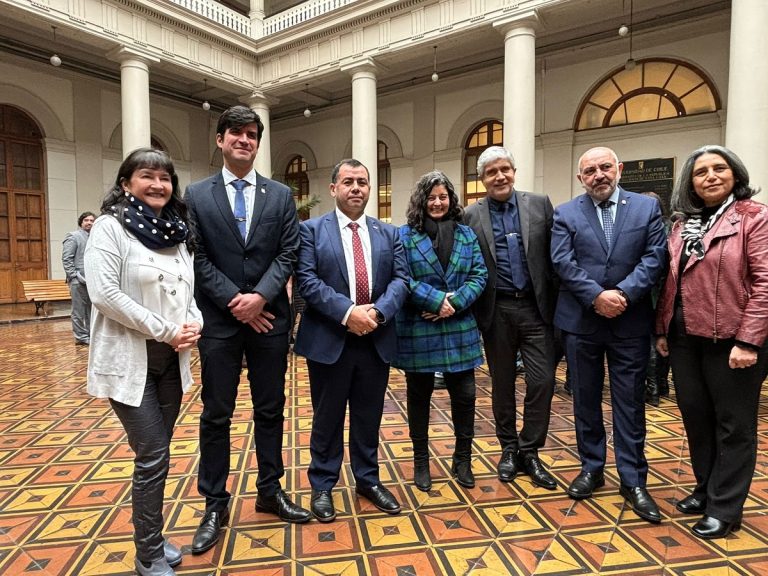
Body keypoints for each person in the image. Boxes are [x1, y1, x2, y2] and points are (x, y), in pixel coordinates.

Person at [185, 105, 309, 555]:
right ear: (220, 140)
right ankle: (214, 503)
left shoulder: (280, 196)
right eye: (235, 133)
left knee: (271, 410)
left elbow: (289, 253)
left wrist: (259, 297)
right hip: (219, 323)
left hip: (269, 320)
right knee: (215, 414)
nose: (244, 139)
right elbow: (194, 257)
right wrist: (236, 303)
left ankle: (270, 491)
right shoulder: (196, 195)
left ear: (258, 142)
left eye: (251, 134)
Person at [84, 148, 202, 576]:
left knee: (157, 455)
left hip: (170, 363)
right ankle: (148, 553)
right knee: (152, 454)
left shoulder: (175, 232)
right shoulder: (110, 229)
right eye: (147, 176)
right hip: (129, 361)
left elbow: (187, 292)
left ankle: (152, 537)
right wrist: (167, 329)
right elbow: (105, 295)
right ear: (125, 183)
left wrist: (193, 323)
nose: (157, 185)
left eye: (165, 178)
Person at [655, 145, 768, 539]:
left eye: (719, 168)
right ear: (691, 182)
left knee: (733, 425)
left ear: (735, 174)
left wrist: (750, 341)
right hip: (686, 337)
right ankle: (705, 490)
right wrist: (662, 330)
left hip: (733, 341)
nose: (711, 176)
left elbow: (765, 283)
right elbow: (671, 281)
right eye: (701, 172)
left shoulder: (754, 217)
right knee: (696, 419)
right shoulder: (682, 223)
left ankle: (726, 506)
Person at [551, 146, 667, 523]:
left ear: (618, 168)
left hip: (629, 321)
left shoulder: (646, 209)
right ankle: (592, 468)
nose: (598, 175)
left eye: (604, 167)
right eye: (590, 171)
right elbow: (561, 262)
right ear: (580, 178)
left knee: (630, 405)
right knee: (584, 400)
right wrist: (596, 296)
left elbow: (655, 257)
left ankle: (633, 480)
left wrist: (623, 294)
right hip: (582, 322)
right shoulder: (566, 213)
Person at [294, 159, 408, 522]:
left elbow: (401, 281)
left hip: (375, 337)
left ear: (370, 188)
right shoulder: (311, 231)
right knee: (326, 417)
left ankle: (367, 480)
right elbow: (307, 282)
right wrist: (349, 313)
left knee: (368, 415)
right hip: (331, 338)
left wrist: (376, 314)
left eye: (362, 182)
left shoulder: (388, 234)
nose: (356, 187)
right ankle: (323, 484)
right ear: (333, 189)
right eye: (348, 181)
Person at [464, 146, 559, 491]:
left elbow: (555, 256)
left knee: (542, 380)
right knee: (502, 384)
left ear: (514, 172)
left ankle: (530, 449)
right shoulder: (470, 215)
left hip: (536, 309)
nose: (499, 176)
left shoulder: (539, 204)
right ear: (482, 179)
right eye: (491, 172)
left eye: (505, 169)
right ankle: (508, 448)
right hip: (497, 310)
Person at [393, 171, 487, 491]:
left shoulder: (466, 234)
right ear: (421, 200)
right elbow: (401, 278)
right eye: (431, 197)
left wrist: (454, 303)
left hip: (459, 327)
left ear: (451, 199)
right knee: (419, 398)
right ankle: (421, 460)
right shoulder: (404, 236)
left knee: (466, 396)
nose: (437, 202)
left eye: (443, 196)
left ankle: (462, 459)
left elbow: (479, 275)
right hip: (420, 327)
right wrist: (435, 301)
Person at [62, 211, 95, 344]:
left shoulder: (94, 237)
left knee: (91, 310)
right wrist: (75, 276)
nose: (89, 223)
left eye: (92, 221)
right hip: (78, 281)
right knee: (78, 311)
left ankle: (91, 335)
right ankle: (81, 337)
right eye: (86, 220)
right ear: (81, 222)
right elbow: (67, 259)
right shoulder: (73, 236)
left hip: (92, 281)